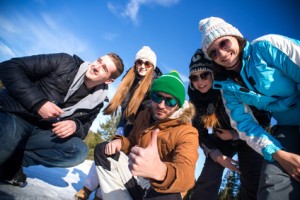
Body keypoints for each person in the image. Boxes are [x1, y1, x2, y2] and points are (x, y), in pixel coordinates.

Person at [198, 16, 300, 200]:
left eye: (224, 43)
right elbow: (245, 125)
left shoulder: (267, 47)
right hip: (289, 127)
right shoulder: (227, 88)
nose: (221, 53)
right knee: (272, 181)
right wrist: (277, 153)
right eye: (213, 52)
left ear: (236, 37)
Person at [0, 52, 124, 187]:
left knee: (78, 151)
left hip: (43, 132)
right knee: (4, 142)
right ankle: (8, 160)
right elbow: (9, 67)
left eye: (104, 68)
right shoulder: (65, 62)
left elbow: (84, 129)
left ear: (109, 80)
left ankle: (13, 162)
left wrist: (75, 125)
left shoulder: (97, 102)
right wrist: (38, 103)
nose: (96, 66)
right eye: (99, 60)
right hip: (17, 115)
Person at [93, 71, 199, 200]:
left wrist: (161, 171)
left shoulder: (187, 132)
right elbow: (132, 141)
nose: (161, 105)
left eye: (170, 101)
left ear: (178, 105)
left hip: (160, 186)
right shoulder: (144, 115)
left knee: (170, 196)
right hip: (138, 176)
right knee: (104, 150)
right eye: (157, 97)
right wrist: (120, 142)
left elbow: (187, 175)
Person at [75, 46, 162, 200]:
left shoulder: (156, 86)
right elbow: (124, 111)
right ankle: (87, 189)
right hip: (127, 128)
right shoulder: (130, 79)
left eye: (147, 63)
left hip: (141, 132)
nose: (142, 66)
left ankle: (102, 195)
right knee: (108, 151)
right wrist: (120, 130)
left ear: (153, 66)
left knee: (120, 165)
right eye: (139, 62)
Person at [187, 49, 271, 200]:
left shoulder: (232, 85)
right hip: (221, 139)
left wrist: (235, 134)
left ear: (213, 73)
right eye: (194, 77)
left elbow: (264, 118)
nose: (200, 82)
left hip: (249, 135)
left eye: (204, 75)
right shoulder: (196, 99)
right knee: (210, 174)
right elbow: (199, 132)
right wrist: (215, 154)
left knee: (253, 179)